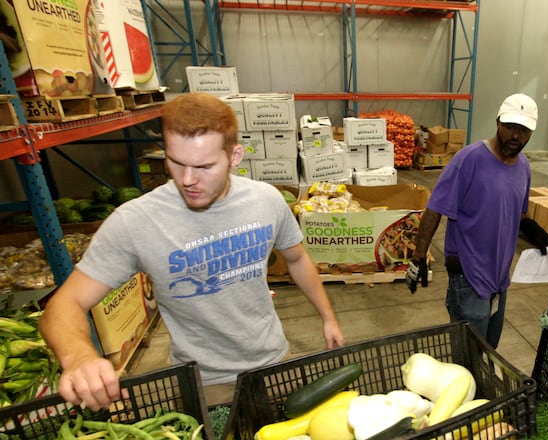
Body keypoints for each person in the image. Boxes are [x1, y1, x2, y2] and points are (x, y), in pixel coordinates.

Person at [39, 92, 344, 410]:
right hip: (204, 383)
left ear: (235, 156)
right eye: (176, 162)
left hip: (276, 360)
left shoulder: (266, 201)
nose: (187, 180)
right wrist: (79, 356)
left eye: (204, 166)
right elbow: (63, 305)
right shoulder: (135, 222)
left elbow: (297, 259)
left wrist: (328, 317)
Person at [405, 93, 548, 349]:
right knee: (468, 356)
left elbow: (518, 214)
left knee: (489, 349)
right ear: (498, 122)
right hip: (468, 275)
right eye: (510, 127)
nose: (515, 136)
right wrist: (419, 257)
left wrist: (535, 232)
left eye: (523, 130)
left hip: (499, 278)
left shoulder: (524, 167)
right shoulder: (469, 159)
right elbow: (435, 209)